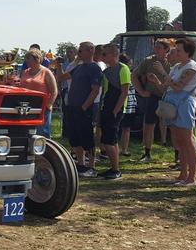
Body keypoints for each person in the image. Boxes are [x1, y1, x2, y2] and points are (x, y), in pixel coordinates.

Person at [147, 38, 196, 186]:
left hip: (184, 105)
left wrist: (163, 73)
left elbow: (178, 87)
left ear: (188, 52)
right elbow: (166, 87)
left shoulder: (191, 67)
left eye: (178, 50)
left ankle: (191, 178)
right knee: (179, 141)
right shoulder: (176, 67)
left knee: (187, 140)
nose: (175, 53)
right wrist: (156, 81)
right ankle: (183, 175)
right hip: (171, 104)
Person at [58, 41, 102, 177]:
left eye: (81, 50)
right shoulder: (78, 67)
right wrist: (59, 66)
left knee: (87, 137)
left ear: (90, 50)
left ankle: (91, 166)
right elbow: (61, 78)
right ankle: (81, 165)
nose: (78, 53)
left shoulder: (95, 68)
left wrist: (84, 106)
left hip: (84, 108)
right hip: (72, 107)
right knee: (74, 137)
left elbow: (95, 90)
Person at [131, 39, 171, 162]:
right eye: (155, 47)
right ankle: (147, 153)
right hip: (152, 96)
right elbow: (134, 75)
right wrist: (141, 92)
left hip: (168, 97)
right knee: (149, 124)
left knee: (172, 125)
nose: (156, 49)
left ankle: (177, 154)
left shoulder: (172, 62)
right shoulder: (148, 61)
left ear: (166, 50)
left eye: (159, 47)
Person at [98, 44, 130, 179]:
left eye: (105, 54)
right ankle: (113, 167)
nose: (102, 56)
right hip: (106, 108)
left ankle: (116, 170)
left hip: (114, 109)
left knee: (110, 140)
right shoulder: (106, 72)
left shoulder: (123, 69)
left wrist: (116, 110)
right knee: (108, 140)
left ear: (113, 54)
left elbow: (124, 91)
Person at [20, 49, 58, 138]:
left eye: (29, 58)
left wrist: (49, 105)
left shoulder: (46, 72)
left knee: (42, 133)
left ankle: (45, 150)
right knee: (28, 132)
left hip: (42, 107)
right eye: (26, 58)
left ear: (37, 59)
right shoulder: (25, 72)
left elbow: (54, 91)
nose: (27, 61)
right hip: (26, 107)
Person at [56, 46, 79, 139]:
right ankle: (65, 133)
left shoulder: (77, 64)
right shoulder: (64, 64)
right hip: (65, 89)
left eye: (70, 52)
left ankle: (73, 132)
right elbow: (59, 77)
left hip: (75, 90)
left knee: (73, 113)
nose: (68, 54)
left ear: (75, 53)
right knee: (65, 112)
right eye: (67, 52)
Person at [118, 53, 137, 157]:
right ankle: (124, 149)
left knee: (124, 128)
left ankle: (123, 149)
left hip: (128, 104)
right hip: (127, 104)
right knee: (126, 128)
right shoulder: (128, 74)